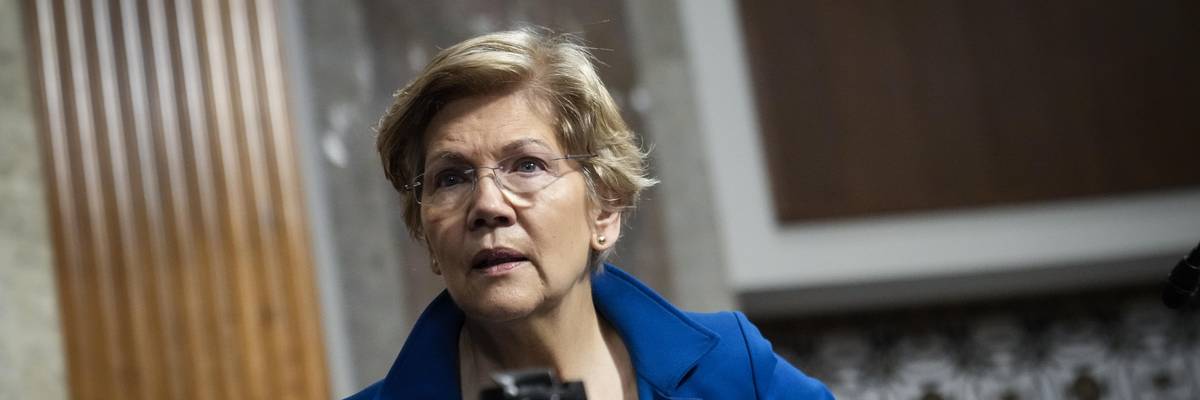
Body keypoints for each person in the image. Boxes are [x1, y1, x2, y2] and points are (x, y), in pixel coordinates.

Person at [347, 28, 833, 400]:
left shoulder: (731, 368)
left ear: (604, 208)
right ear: (425, 231)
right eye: (451, 178)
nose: (488, 206)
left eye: (528, 165)